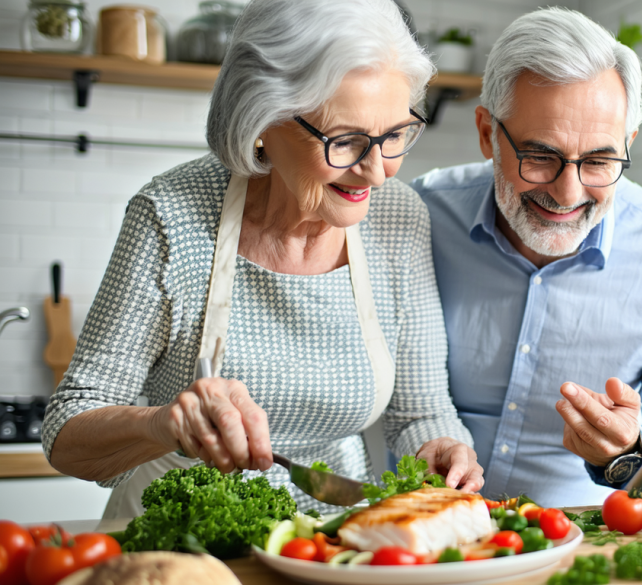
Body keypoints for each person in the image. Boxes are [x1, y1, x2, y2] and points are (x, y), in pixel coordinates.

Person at [42, 0, 482, 517]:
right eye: (346, 141)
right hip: (182, 541)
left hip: (334, 536)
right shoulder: (170, 216)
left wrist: (442, 447)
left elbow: (418, 412)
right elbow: (66, 432)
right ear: (262, 117)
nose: (377, 173)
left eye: (394, 136)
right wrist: (162, 424)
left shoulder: (397, 216)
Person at [411, 7, 642, 506]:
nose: (568, 192)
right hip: (423, 533)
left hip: (583, 543)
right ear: (487, 134)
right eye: (540, 156)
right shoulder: (421, 216)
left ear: (628, 143)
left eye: (598, 161)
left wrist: (626, 453)